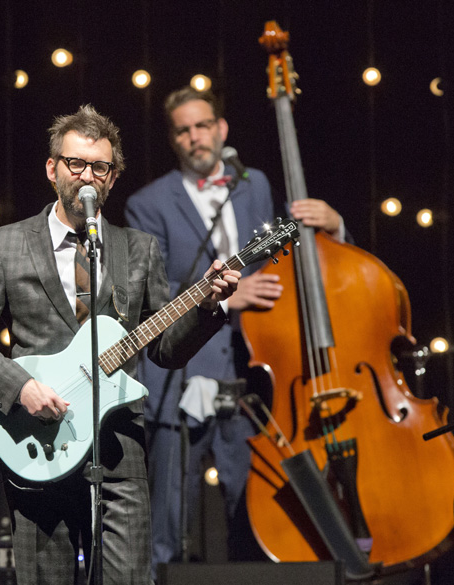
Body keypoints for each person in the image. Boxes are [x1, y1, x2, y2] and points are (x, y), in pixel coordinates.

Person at [0, 104, 241, 585]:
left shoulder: (138, 248)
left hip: (119, 446)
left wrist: (205, 308)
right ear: (52, 168)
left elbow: (162, 348)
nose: (86, 176)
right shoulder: (5, 245)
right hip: (39, 441)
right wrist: (20, 388)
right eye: (75, 163)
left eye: (99, 167)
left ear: (112, 178)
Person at [124, 87, 346, 572]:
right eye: (183, 130)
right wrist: (225, 297)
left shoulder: (254, 183)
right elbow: (152, 296)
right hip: (180, 379)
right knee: (166, 529)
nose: (194, 137)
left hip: (253, 379)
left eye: (203, 126)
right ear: (172, 139)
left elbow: (286, 266)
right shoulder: (147, 203)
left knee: (252, 521)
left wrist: (335, 227)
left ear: (221, 129)